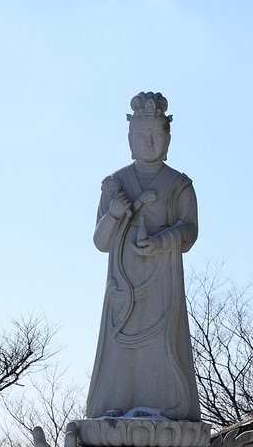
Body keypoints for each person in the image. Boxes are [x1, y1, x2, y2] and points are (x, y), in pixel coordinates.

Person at [86, 91, 201, 421]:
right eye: (141, 135)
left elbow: (190, 232)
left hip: (162, 284)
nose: (149, 142)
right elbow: (100, 242)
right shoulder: (115, 184)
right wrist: (114, 214)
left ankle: (166, 407)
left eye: (156, 135)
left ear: (168, 139)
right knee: (120, 347)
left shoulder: (179, 185)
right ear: (130, 139)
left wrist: (164, 240)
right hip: (123, 287)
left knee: (163, 347)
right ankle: (115, 406)